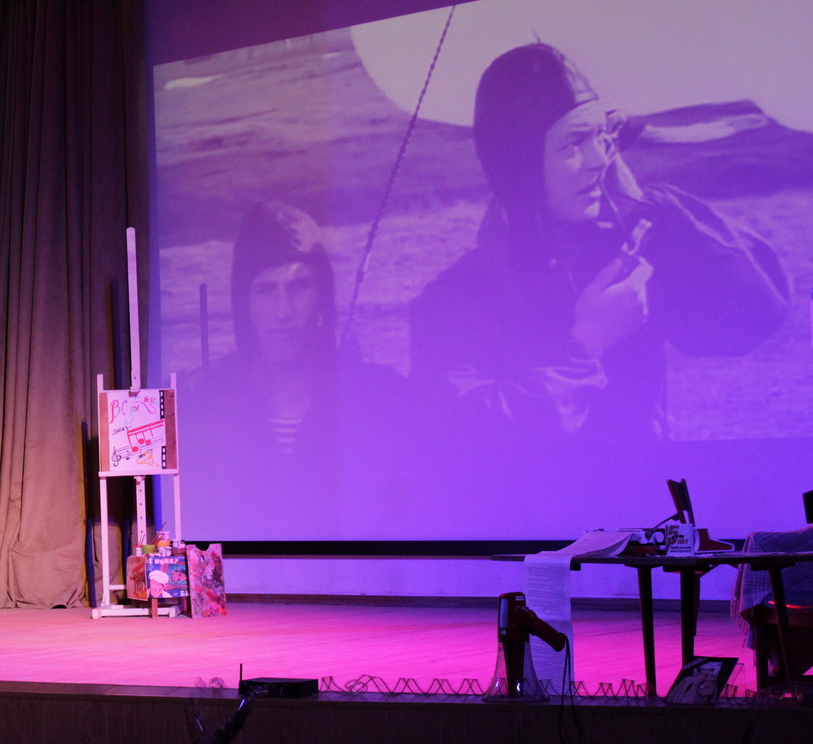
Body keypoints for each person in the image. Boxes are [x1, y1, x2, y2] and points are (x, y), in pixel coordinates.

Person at [407, 43, 789, 445]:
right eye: (574, 143)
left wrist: (645, 206)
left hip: (651, 486)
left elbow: (751, 318)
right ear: (520, 164)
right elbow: (470, 442)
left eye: (602, 137)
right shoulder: (452, 301)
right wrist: (586, 346)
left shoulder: (619, 261)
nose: (598, 159)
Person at [183, 202, 414, 530]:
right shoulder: (204, 406)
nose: (283, 311)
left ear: (323, 295)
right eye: (265, 290)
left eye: (299, 287)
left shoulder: (383, 399)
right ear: (243, 303)